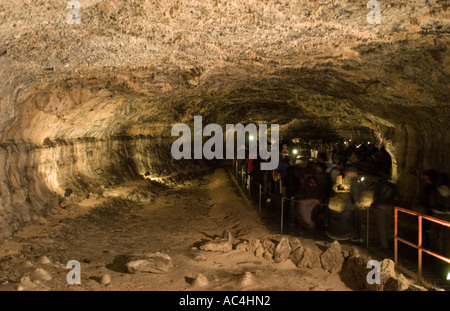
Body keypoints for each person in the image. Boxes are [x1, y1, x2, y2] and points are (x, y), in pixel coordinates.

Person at [326, 166, 363, 242]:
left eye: (348, 172)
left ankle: (340, 234)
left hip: (351, 203)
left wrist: (356, 201)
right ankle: (359, 237)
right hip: (353, 203)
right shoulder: (356, 180)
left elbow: (355, 192)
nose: (347, 174)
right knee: (356, 219)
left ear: (352, 172)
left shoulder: (355, 181)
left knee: (344, 217)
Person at [372, 170, 397, 249]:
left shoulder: (379, 185)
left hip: (381, 206)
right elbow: (395, 197)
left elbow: (376, 196)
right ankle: (387, 241)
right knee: (387, 225)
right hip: (390, 207)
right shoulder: (392, 185)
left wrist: (375, 204)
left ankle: (383, 244)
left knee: (381, 226)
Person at [295, 167, 320, 231]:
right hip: (314, 199)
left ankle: (312, 227)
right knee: (308, 213)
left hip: (306, 199)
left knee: (304, 214)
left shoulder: (306, 180)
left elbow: (303, 189)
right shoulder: (316, 180)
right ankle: (309, 226)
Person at [312, 162, 332, 229]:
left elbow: (318, 187)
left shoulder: (319, 176)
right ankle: (326, 223)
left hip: (320, 194)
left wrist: (317, 196)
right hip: (326, 194)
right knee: (325, 209)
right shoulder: (327, 175)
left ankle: (314, 221)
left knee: (317, 208)